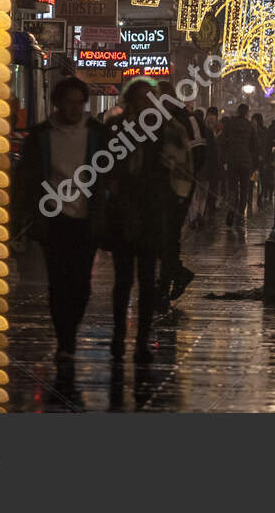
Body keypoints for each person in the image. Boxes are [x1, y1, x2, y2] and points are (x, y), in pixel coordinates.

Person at [18, 76, 101, 366]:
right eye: (70, 102)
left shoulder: (96, 134)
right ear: (58, 103)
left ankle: (71, 330)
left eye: (80, 103)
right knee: (58, 281)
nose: (75, 108)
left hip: (85, 219)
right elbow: (26, 178)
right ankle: (65, 339)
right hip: (53, 218)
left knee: (81, 284)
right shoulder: (41, 135)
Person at [98, 79, 171, 363]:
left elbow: (166, 170)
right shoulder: (114, 130)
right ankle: (119, 335)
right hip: (123, 213)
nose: (143, 105)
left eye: (148, 100)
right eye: (139, 100)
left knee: (147, 281)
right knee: (123, 279)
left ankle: (142, 339)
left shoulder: (158, 131)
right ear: (129, 103)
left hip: (149, 213)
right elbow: (103, 165)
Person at [155, 81, 198, 303]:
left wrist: (186, 190)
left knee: (168, 238)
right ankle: (175, 276)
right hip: (160, 192)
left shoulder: (183, 122)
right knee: (163, 240)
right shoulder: (156, 123)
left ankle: (165, 286)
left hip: (177, 191)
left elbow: (196, 156)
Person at [219, 103, 259, 227]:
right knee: (244, 188)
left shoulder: (229, 124)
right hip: (246, 161)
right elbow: (255, 145)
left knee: (232, 187)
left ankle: (231, 208)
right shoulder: (250, 126)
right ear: (247, 113)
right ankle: (240, 214)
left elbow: (222, 141)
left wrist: (225, 156)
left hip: (232, 160)